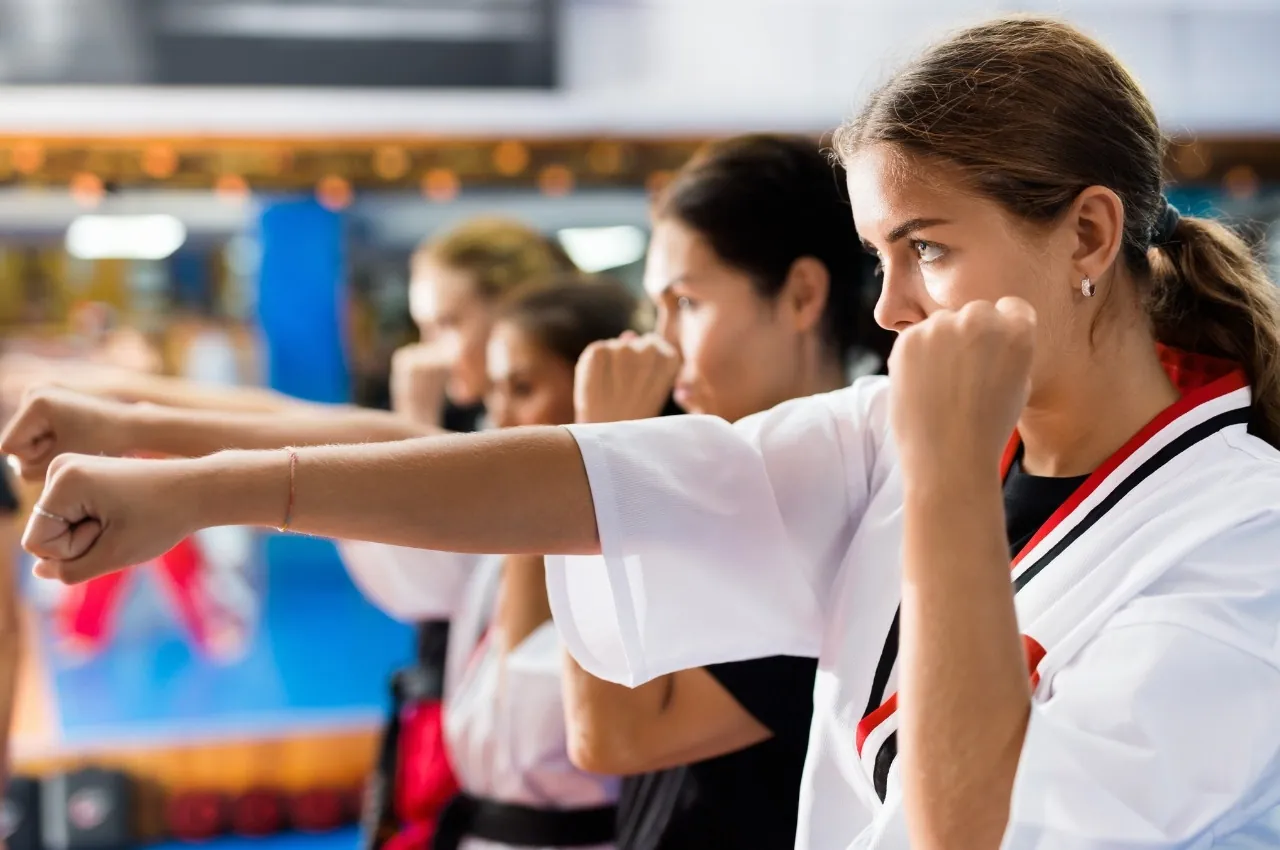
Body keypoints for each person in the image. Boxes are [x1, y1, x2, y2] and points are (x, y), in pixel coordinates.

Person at [11, 16, 1280, 849]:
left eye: (926, 251)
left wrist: (946, 485)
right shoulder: (902, 434)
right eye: (875, 256)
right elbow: (580, 481)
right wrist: (197, 486)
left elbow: (969, 835)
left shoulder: (1238, 544)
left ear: (1089, 237)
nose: (887, 308)